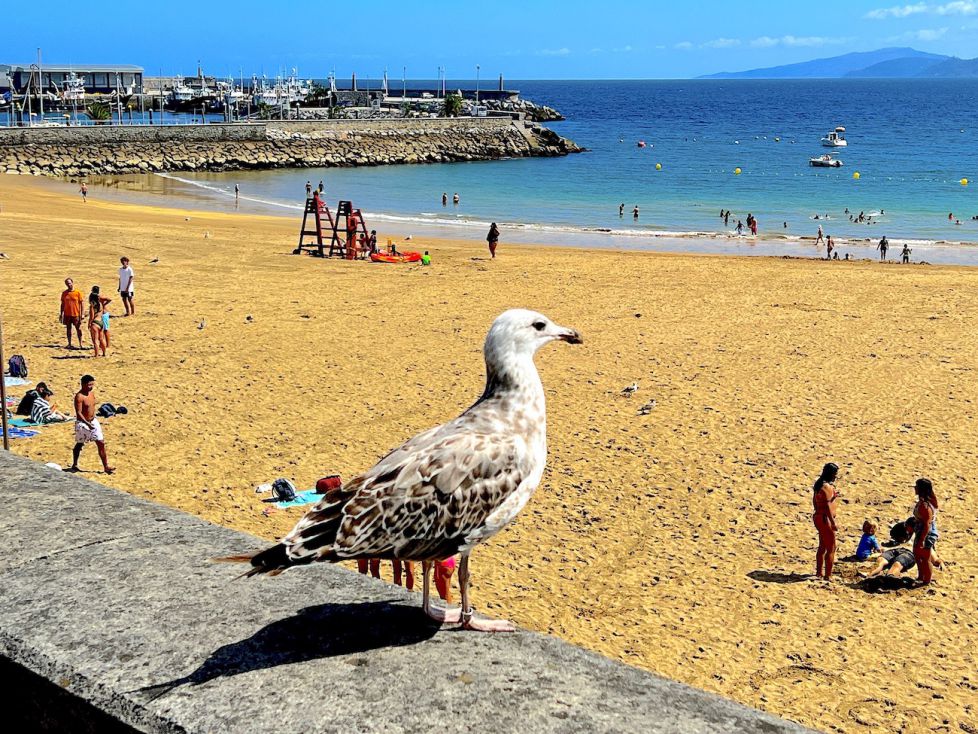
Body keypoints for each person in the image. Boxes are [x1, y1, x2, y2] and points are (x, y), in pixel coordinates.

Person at [68, 374, 114, 474]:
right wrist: (87, 423)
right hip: (83, 423)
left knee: (100, 443)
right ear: (83, 384)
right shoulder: (79, 397)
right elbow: (79, 413)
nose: (91, 387)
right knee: (80, 444)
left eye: (92, 384)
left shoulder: (91, 394)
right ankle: (75, 464)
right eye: (89, 385)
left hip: (93, 421)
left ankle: (106, 467)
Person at [812, 462, 841, 580]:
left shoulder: (818, 485)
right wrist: (833, 523)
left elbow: (815, 502)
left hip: (818, 517)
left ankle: (819, 572)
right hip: (825, 519)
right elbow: (828, 506)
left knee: (822, 546)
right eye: (835, 474)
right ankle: (828, 575)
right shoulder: (827, 487)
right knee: (831, 548)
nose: (836, 476)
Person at [912, 478, 939, 585]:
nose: (915, 488)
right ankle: (920, 577)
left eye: (916, 486)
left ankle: (926, 580)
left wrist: (922, 540)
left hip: (926, 533)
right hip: (922, 531)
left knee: (925, 557)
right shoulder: (924, 502)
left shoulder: (925, 505)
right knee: (917, 555)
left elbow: (927, 524)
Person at [60, 278, 85, 349]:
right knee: (68, 329)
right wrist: (61, 313)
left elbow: (82, 304)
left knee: (78, 329)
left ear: (72, 283)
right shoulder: (64, 293)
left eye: (69, 283)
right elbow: (62, 304)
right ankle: (69, 343)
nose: (69, 285)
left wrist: (82, 314)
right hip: (67, 314)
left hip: (76, 314)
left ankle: (80, 344)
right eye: (67, 283)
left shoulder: (78, 293)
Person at [87, 287, 111, 358]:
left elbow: (92, 316)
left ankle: (96, 355)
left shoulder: (92, 306)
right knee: (101, 339)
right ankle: (104, 353)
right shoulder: (101, 305)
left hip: (95, 323)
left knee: (95, 340)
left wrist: (89, 323)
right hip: (101, 322)